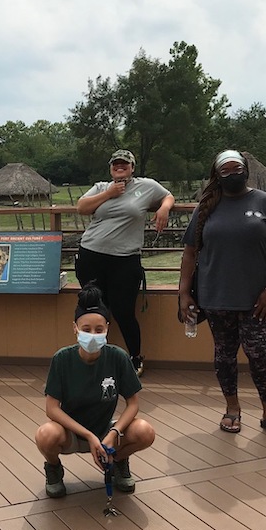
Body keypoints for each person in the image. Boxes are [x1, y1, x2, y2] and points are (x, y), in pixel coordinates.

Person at [178, 150, 266, 439]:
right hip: (215, 297)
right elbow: (190, 251)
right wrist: (184, 293)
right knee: (224, 356)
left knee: (260, 355)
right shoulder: (206, 207)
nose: (233, 175)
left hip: (257, 300)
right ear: (217, 175)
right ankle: (232, 409)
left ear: (246, 170)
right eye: (226, 171)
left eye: (237, 169)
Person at [35, 282, 156, 498]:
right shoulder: (62, 359)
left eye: (99, 330)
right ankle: (53, 469)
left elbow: (133, 403)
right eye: (86, 329)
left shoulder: (118, 357)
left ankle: (118, 460)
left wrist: (113, 433)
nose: (93, 335)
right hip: (71, 432)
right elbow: (52, 409)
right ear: (75, 328)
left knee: (145, 431)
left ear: (108, 328)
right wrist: (88, 435)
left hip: (106, 430)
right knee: (46, 435)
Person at [75, 149, 175, 377]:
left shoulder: (146, 186)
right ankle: (90, 356)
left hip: (125, 260)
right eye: (115, 165)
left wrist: (164, 208)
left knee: (123, 311)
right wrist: (109, 193)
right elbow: (81, 208)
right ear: (110, 168)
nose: (120, 168)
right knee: (93, 307)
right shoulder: (101, 187)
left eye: (124, 164)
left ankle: (134, 357)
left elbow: (168, 196)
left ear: (132, 167)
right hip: (92, 254)